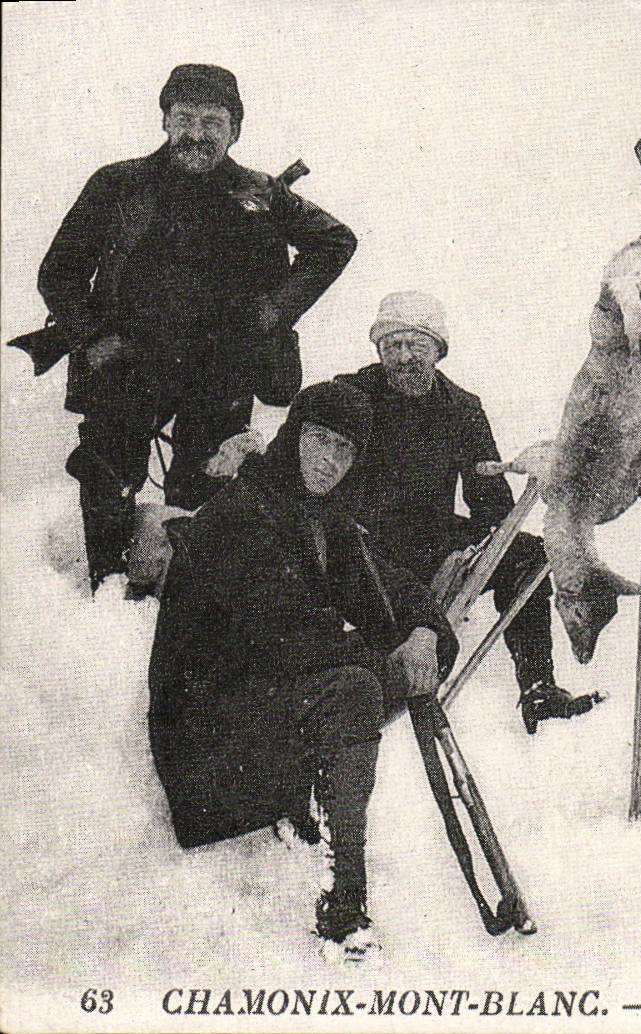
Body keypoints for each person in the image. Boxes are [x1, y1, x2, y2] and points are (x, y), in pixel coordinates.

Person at [147, 381, 458, 961]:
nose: (329, 460)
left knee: (375, 676)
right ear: (293, 435)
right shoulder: (242, 512)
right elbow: (289, 642)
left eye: (345, 450)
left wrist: (423, 633)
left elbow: (389, 588)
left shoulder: (317, 514)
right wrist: (389, 655)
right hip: (206, 738)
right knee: (356, 688)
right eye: (320, 440)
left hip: (260, 710)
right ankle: (344, 899)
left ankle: (315, 806)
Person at [22, 63, 356, 591]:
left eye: (212, 122)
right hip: (128, 362)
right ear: (165, 121)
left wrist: (273, 310)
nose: (196, 134)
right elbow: (59, 273)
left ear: (235, 130)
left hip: (220, 368)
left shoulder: (262, 193)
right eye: (184, 119)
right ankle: (107, 595)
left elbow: (336, 241)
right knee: (108, 480)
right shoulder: (117, 184)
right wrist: (92, 336)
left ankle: (181, 604)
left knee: (205, 489)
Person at [336, 292, 599, 734]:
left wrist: (486, 546)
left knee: (526, 553)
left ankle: (537, 687)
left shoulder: (461, 408)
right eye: (392, 345)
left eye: (416, 344)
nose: (404, 356)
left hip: (431, 539)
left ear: (438, 349)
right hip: (364, 544)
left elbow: (490, 500)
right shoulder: (352, 395)